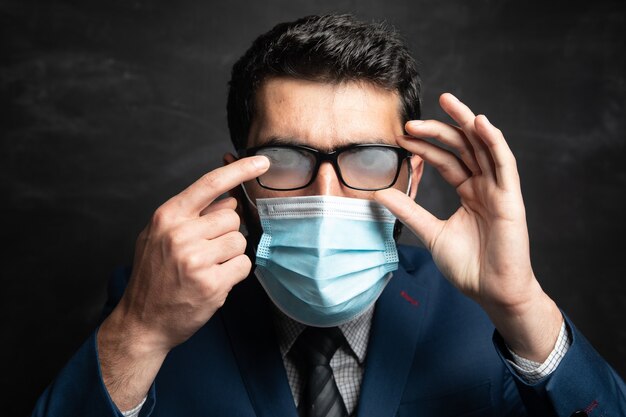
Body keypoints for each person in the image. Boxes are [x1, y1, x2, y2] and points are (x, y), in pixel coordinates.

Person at [32, 13, 625, 417]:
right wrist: (137, 330)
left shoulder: (483, 319)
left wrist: (523, 306)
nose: (327, 193)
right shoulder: (153, 305)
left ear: (411, 178)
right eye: (286, 159)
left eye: (368, 160)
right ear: (240, 178)